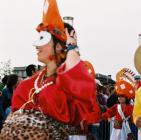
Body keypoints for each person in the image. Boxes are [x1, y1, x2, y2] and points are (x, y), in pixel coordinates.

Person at [0, 0, 100, 139]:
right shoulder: (26, 86)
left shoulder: (69, 84)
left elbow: (83, 93)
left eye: (43, 39)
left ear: (59, 46)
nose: (36, 45)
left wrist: (72, 48)